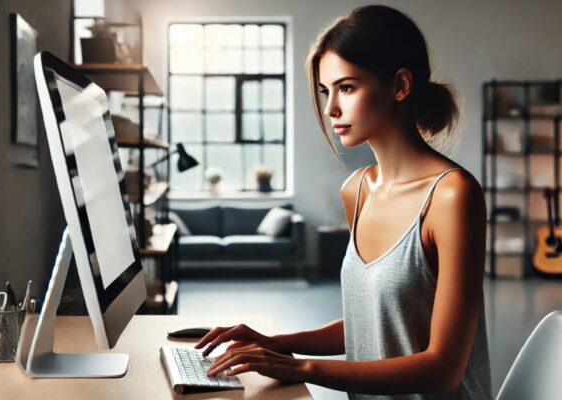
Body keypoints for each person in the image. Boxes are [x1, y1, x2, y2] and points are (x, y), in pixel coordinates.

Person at [195, 5, 492, 399]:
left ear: (400, 85)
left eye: (347, 87)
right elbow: (369, 324)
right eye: (325, 91)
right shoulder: (357, 189)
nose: (331, 108)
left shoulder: (453, 196)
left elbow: (443, 370)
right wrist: (277, 342)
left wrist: (301, 367)